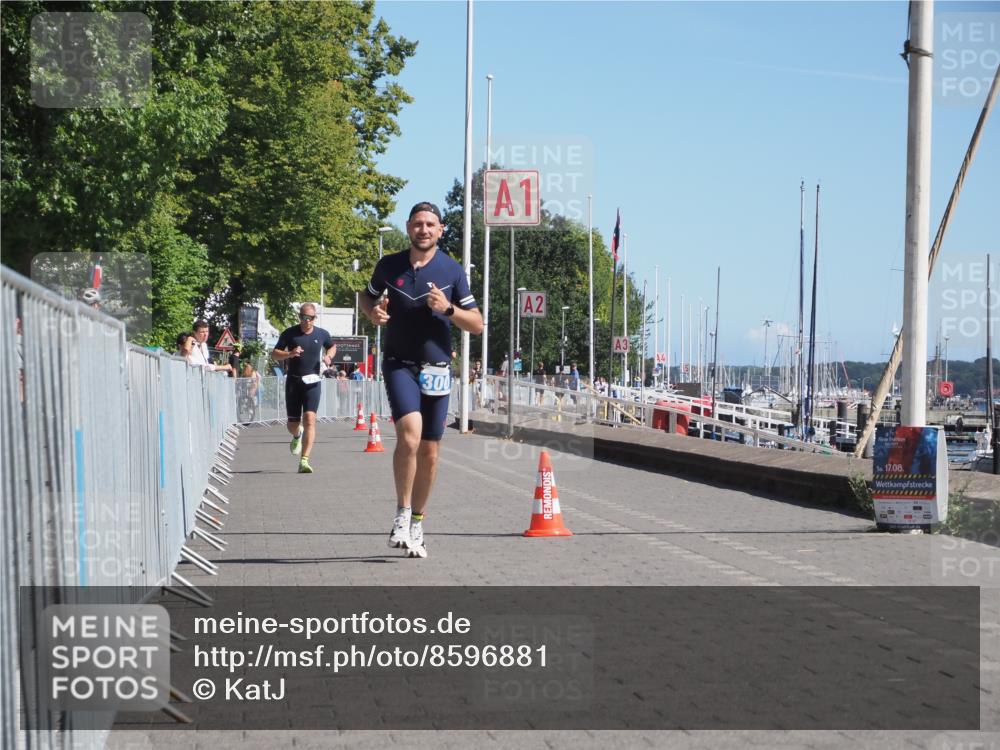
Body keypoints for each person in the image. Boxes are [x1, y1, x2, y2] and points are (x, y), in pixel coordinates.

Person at [360, 202, 483, 559]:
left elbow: (476, 323)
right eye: (417, 224)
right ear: (408, 228)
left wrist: (447, 309)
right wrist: (374, 313)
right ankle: (400, 514)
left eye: (430, 224)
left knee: (430, 450)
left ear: (440, 230)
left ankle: (417, 520)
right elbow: (365, 298)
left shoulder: (452, 271)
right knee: (409, 436)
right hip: (399, 364)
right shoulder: (389, 266)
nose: (424, 230)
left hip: (437, 370)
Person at [271, 303, 337, 473]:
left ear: (315, 318)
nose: (307, 321)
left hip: (313, 382)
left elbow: (332, 346)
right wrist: (289, 354)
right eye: (304, 318)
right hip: (294, 382)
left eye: (311, 318)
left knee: (309, 419)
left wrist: (328, 356)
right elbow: (274, 353)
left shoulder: (322, 334)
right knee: (293, 424)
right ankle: (296, 435)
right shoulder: (290, 333)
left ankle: (304, 461)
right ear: (299, 317)